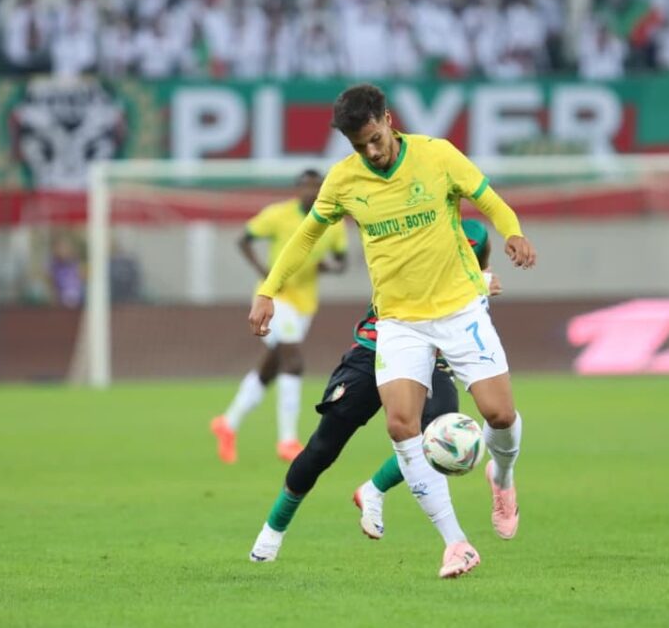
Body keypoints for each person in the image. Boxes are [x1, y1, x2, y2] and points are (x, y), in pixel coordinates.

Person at [248, 84, 536, 578]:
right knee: (402, 426)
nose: (371, 152)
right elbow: (306, 236)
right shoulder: (344, 180)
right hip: (399, 322)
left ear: (388, 119)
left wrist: (513, 232)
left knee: (500, 415)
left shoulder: (437, 155)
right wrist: (268, 289)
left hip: (460, 312)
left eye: (375, 139)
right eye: (359, 146)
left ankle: (502, 476)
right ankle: (456, 544)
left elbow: (488, 199)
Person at [248, 220, 500, 575]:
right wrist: (476, 284)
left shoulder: (476, 234)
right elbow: (413, 281)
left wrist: (480, 284)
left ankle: (376, 490)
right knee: (324, 446)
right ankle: (272, 532)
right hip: (376, 347)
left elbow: (479, 277)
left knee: (438, 439)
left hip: (433, 355)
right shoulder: (409, 223)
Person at [212, 170, 347, 463]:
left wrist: (330, 267)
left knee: (272, 367)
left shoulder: (334, 221)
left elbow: (342, 261)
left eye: (317, 186)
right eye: (307, 186)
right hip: (276, 298)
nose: (312, 191)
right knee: (293, 361)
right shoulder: (278, 215)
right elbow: (244, 239)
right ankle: (287, 440)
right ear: (297, 189)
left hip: (305, 304)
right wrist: (264, 273)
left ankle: (228, 423)